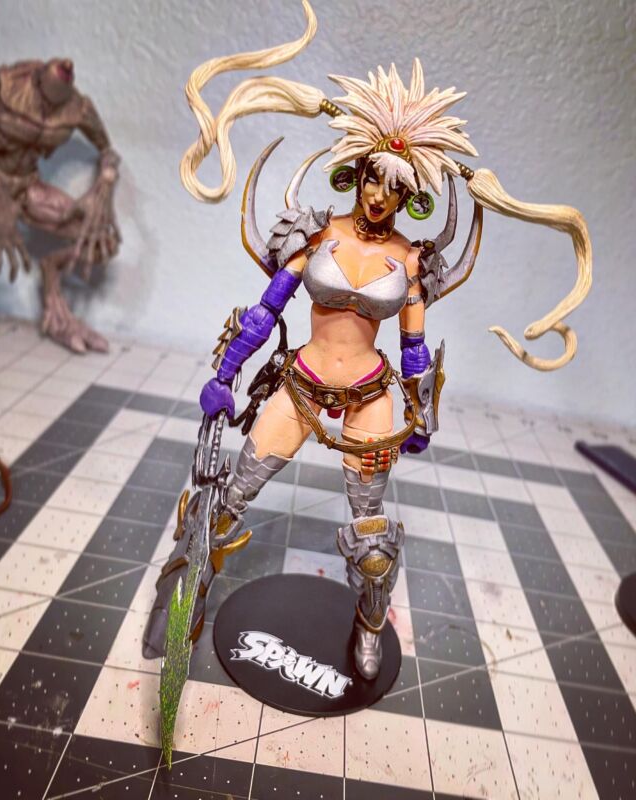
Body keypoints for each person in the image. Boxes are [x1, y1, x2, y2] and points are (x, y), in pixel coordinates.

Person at [144, 0, 591, 680]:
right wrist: (226, 374)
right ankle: (186, 591)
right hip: (300, 386)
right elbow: (265, 312)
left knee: (372, 537)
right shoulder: (316, 233)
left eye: (397, 187)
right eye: (375, 177)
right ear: (356, 171)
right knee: (229, 498)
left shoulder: (410, 260)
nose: (380, 195)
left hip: (369, 395)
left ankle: (370, 621)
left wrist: (420, 412)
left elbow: (414, 349)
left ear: (415, 197)